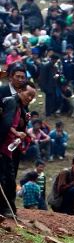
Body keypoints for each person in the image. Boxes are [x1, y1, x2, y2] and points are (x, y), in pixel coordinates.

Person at [0, 86, 32, 217]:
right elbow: (6, 124)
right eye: (28, 94)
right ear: (20, 91)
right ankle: (6, 209)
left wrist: (24, 125)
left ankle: (9, 209)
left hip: (9, 148)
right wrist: (17, 133)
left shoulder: (21, 108)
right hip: (3, 146)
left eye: (32, 97)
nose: (30, 98)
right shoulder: (11, 102)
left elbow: (13, 125)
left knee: (9, 179)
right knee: (6, 179)